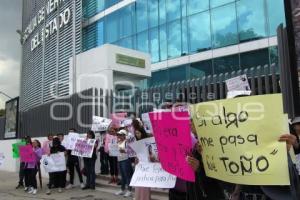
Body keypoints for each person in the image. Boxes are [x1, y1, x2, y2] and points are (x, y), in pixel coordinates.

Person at [186, 121, 225, 200]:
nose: (189, 124)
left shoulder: (217, 144)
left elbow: (221, 180)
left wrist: (199, 168)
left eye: (193, 121)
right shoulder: (195, 144)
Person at [134, 127, 151, 200]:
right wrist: (136, 160)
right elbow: (136, 155)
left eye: (138, 133)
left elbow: (151, 153)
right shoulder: (136, 143)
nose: (137, 135)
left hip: (146, 167)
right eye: (136, 133)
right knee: (138, 185)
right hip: (139, 167)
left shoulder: (148, 142)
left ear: (142, 133)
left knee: (145, 186)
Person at [115, 129, 133, 197]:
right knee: (122, 176)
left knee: (127, 176)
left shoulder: (127, 142)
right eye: (119, 134)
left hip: (126, 160)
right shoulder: (118, 142)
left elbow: (130, 151)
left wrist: (124, 150)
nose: (119, 136)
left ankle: (129, 190)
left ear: (124, 135)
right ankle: (122, 189)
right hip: (119, 160)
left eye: (121, 135)